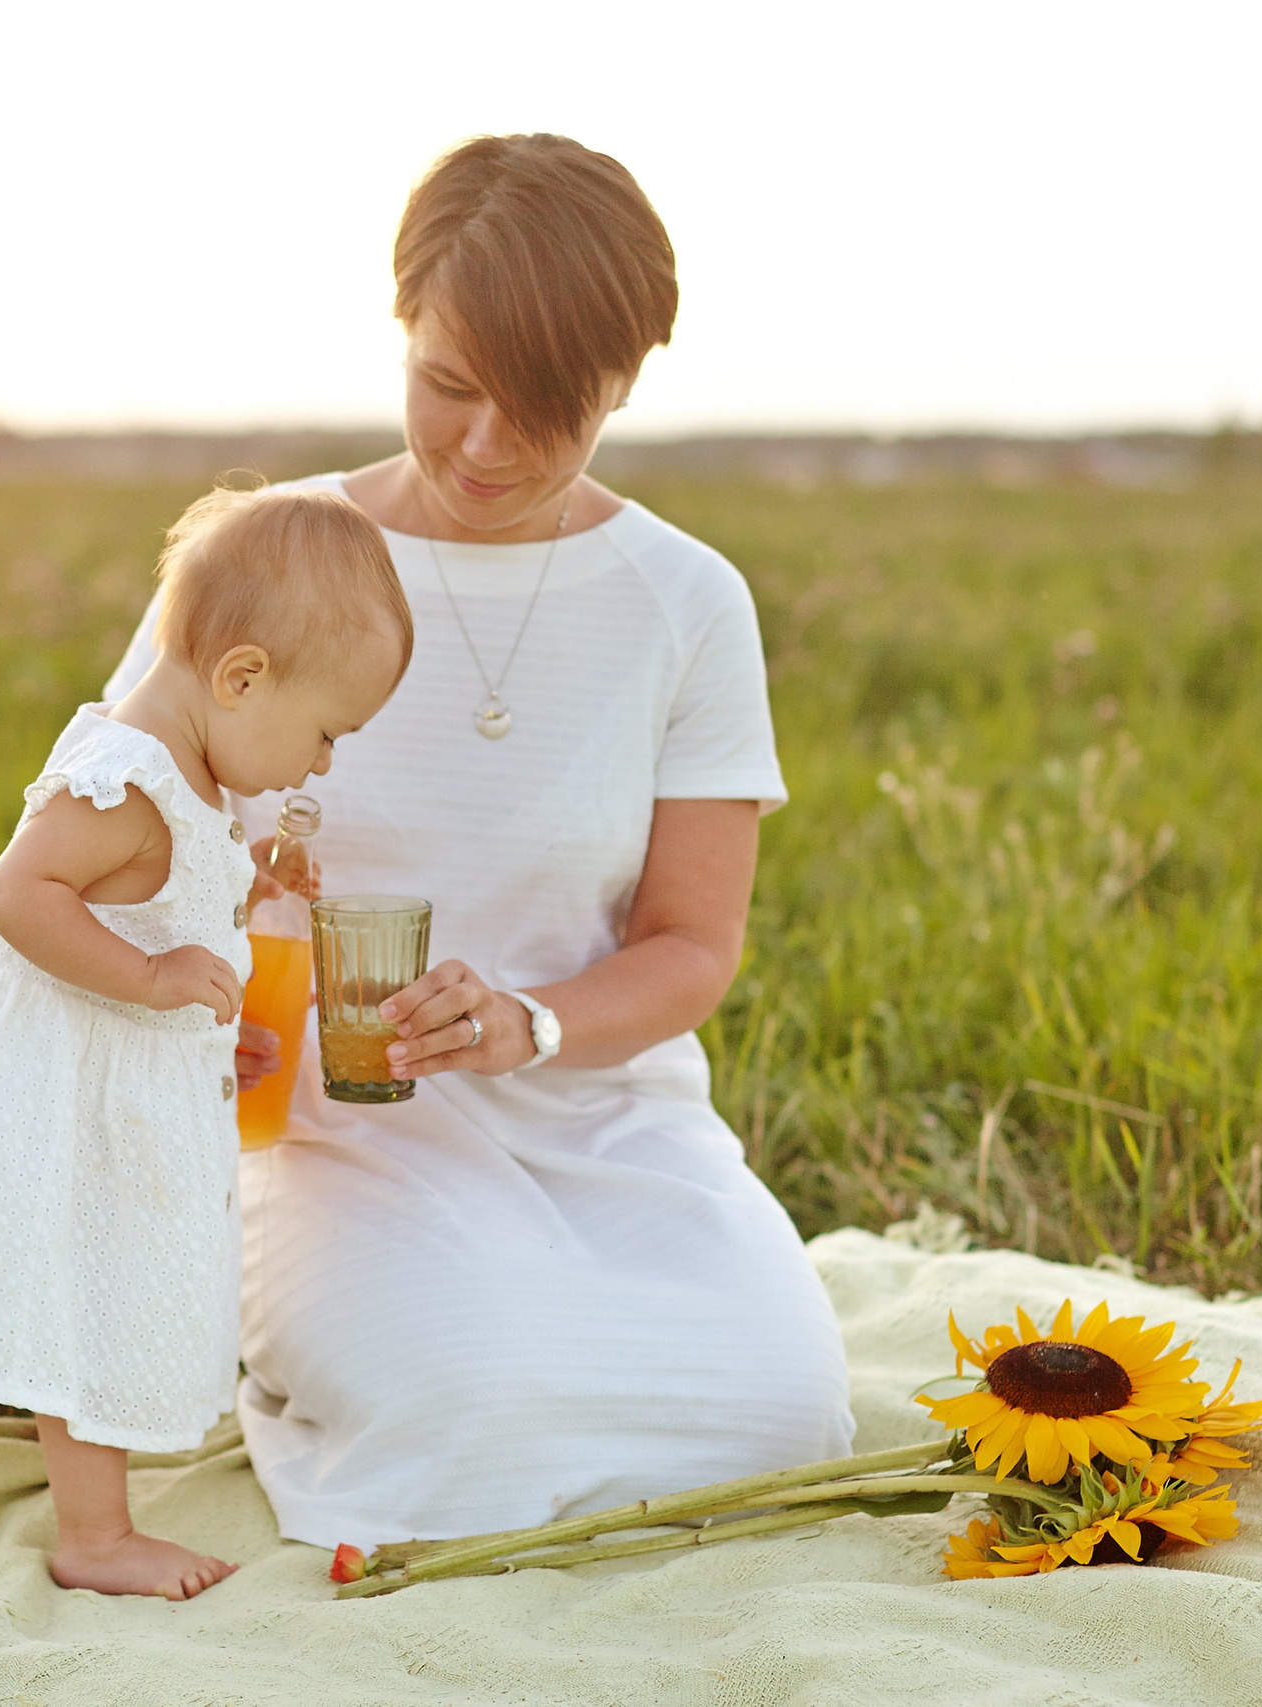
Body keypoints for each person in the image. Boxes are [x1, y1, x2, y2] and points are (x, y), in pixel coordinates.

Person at [102, 134, 856, 1548]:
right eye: (448, 386)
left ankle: (531, 1341)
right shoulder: (267, 554)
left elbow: (694, 944)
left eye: (547, 406)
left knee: (783, 1418)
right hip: (334, 1137)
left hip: (608, 1120)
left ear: (626, 377)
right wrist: (196, 984)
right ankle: (320, 1363)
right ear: (401, 328)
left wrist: (530, 1022)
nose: (484, 446)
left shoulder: (687, 601)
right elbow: (104, 832)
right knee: (482, 1403)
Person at [0, 485, 413, 1597]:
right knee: (85, 1290)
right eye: (324, 735)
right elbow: (19, 894)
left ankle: (91, 1501)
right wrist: (157, 977)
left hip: (117, 1085)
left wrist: (216, 984)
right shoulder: (126, 778)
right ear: (242, 677)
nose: (318, 769)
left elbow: (159, 900)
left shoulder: (191, 779)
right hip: (63, 1096)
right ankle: (96, 1536)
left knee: (100, 1287)